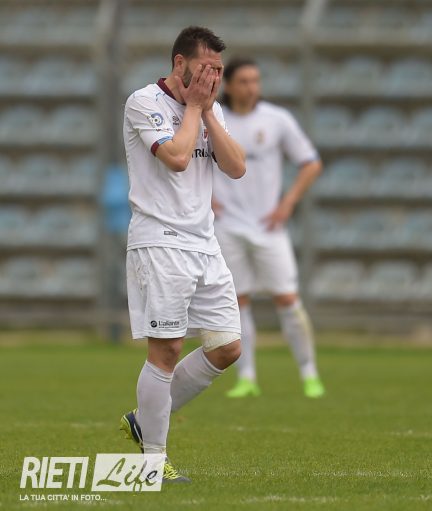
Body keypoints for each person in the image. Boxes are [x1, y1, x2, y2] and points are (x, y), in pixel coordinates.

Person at [119, 26, 247, 481]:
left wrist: (206, 110)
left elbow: (236, 167)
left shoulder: (210, 109)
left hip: (203, 242)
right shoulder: (144, 102)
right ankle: (151, 464)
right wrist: (193, 107)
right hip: (160, 240)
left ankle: (144, 418)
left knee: (227, 347)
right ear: (179, 63)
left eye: (219, 70)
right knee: (168, 349)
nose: (214, 77)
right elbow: (175, 157)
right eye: (206, 68)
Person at [212, 57, 325, 399]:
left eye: (256, 80)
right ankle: (246, 377)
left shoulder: (276, 119)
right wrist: (206, 198)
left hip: (268, 227)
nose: (252, 87)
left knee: (288, 299)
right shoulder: (214, 118)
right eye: (244, 81)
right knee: (237, 302)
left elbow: (311, 163)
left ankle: (309, 374)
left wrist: (287, 203)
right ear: (229, 85)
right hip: (227, 226)